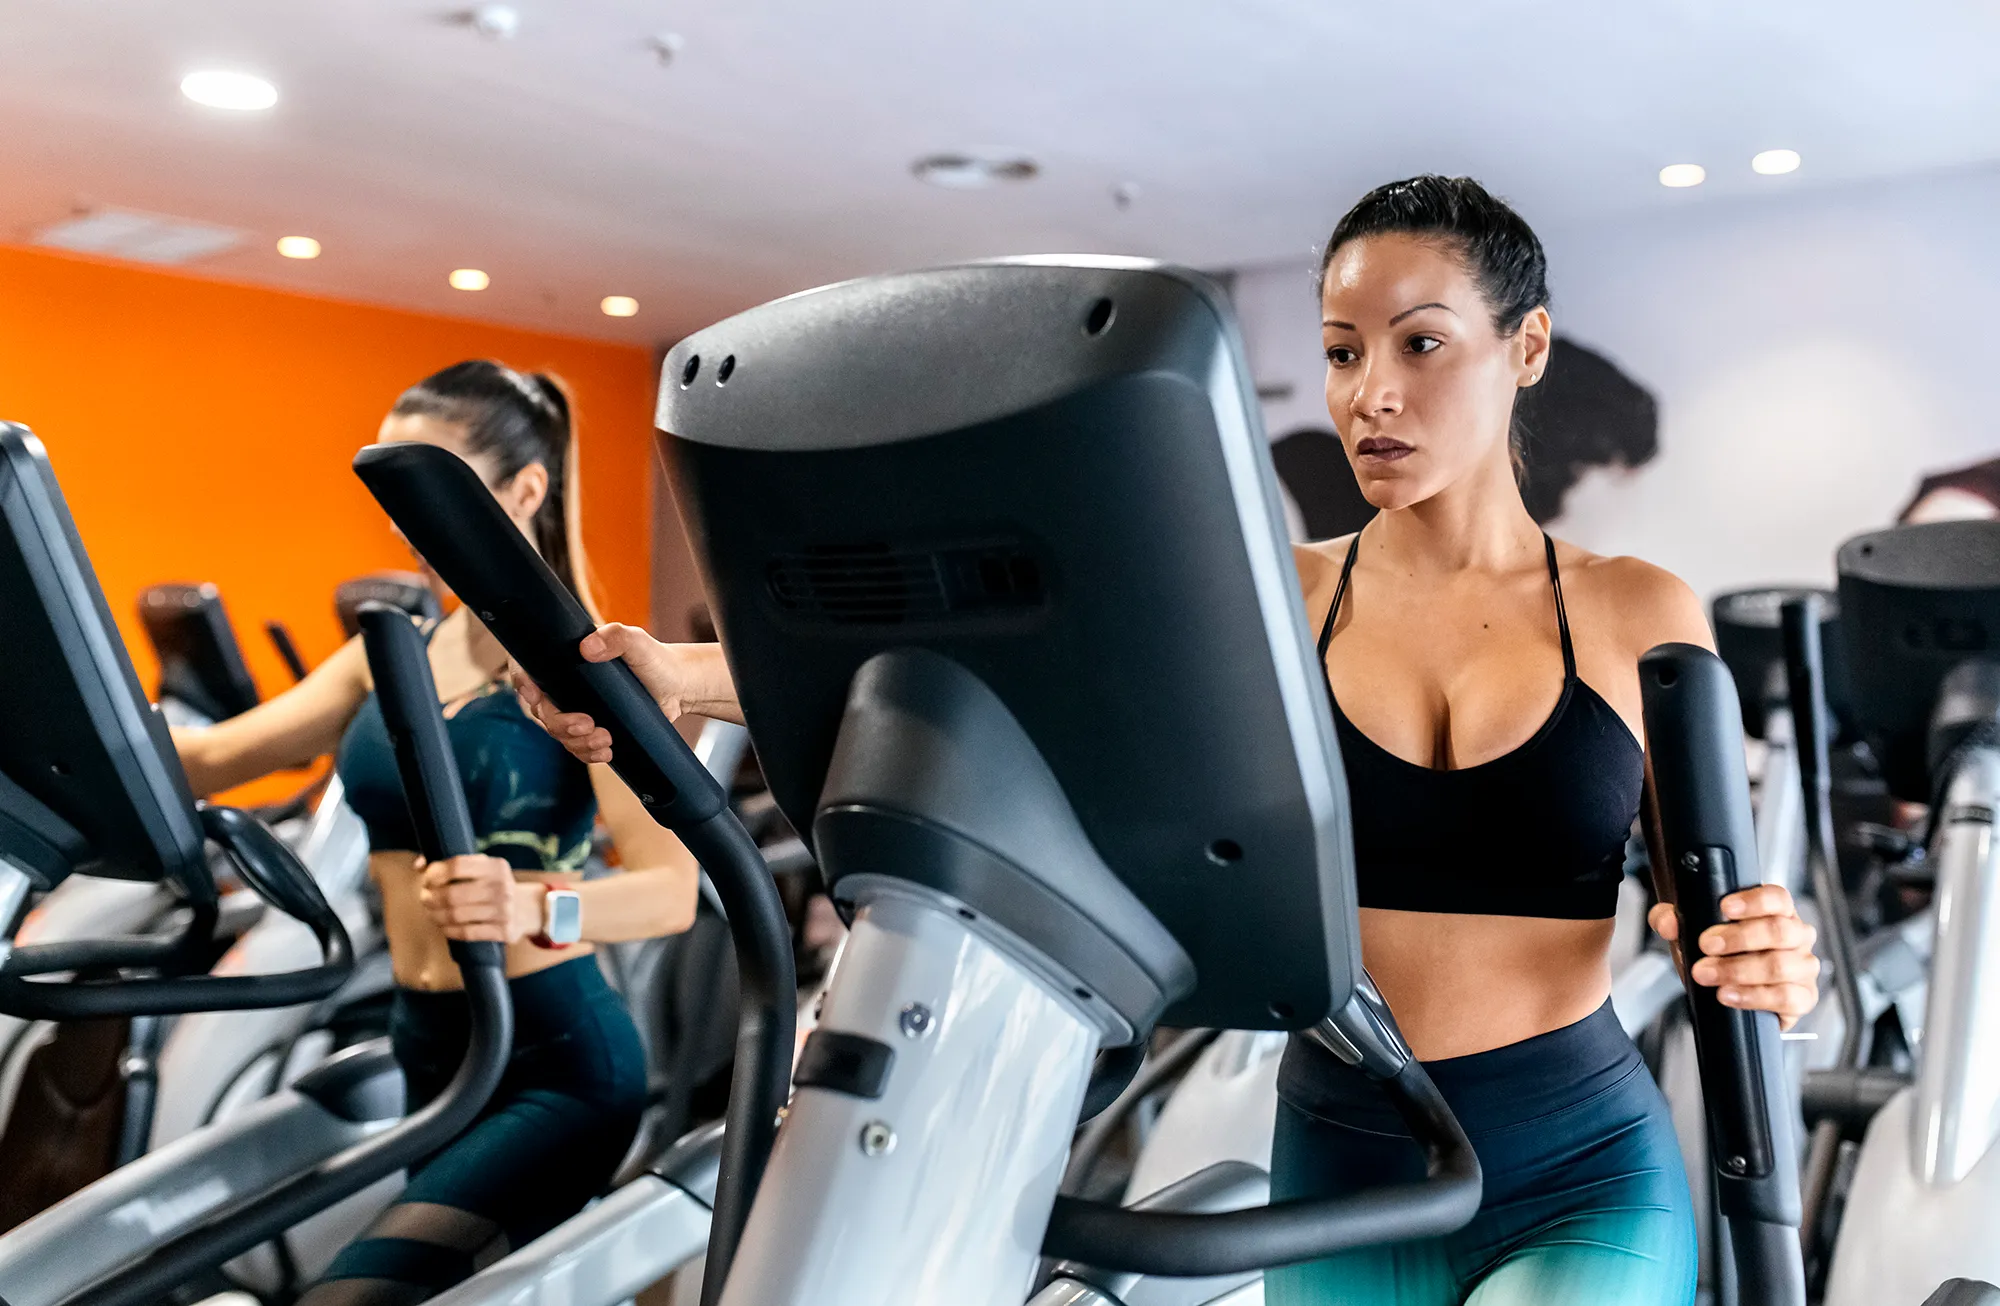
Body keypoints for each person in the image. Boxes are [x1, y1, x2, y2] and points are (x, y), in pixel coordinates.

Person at [512, 178, 1821, 1306]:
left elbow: (1708, 892)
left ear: (1524, 347)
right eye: (1343, 351)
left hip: (1576, 1156)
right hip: (1343, 1161)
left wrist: (1767, 945)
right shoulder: (1280, 596)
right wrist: (681, 674)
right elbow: (995, 673)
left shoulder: (1632, 608)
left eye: (1420, 344)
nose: (1371, 394)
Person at [173, 360, 700, 1306]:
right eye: (391, 494)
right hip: (429, 1044)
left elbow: (672, 891)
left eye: (425, 490)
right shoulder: (391, 652)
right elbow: (212, 758)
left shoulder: (580, 667)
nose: (402, 524)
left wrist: (534, 906)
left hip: (554, 1060)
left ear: (524, 490)